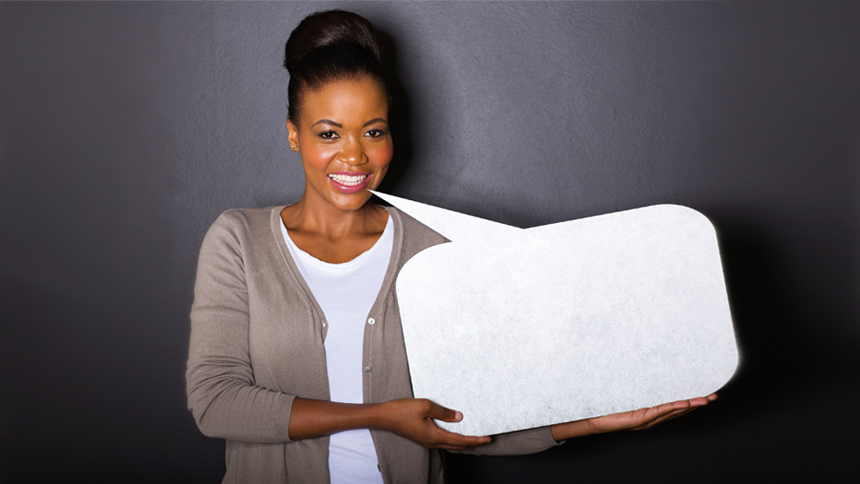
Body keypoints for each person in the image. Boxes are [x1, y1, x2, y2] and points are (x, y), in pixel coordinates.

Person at [186, 10, 716, 484]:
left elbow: (471, 418)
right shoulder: (240, 241)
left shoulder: (434, 247)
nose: (354, 156)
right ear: (293, 134)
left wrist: (594, 422)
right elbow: (216, 402)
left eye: (373, 132)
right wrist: (381, 416)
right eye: (329, 134)